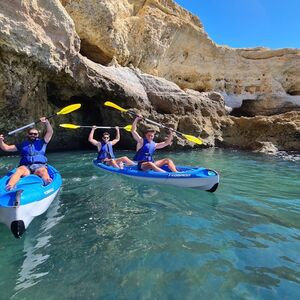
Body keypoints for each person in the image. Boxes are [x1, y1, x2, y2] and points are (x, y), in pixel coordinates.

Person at [0, 117, 53, 190]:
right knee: (19, 170)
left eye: (35, 134)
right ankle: (10, 186)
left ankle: (47, 182)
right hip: (26, 167)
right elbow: (6, 148)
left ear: (37, 135)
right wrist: (1, 141)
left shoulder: (42, 142)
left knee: (43, 170)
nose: (33, 135)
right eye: (31, 134)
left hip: (39, 166)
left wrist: (46, 122)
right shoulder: (22, 144)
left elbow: (50, 132)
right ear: (28, 134)